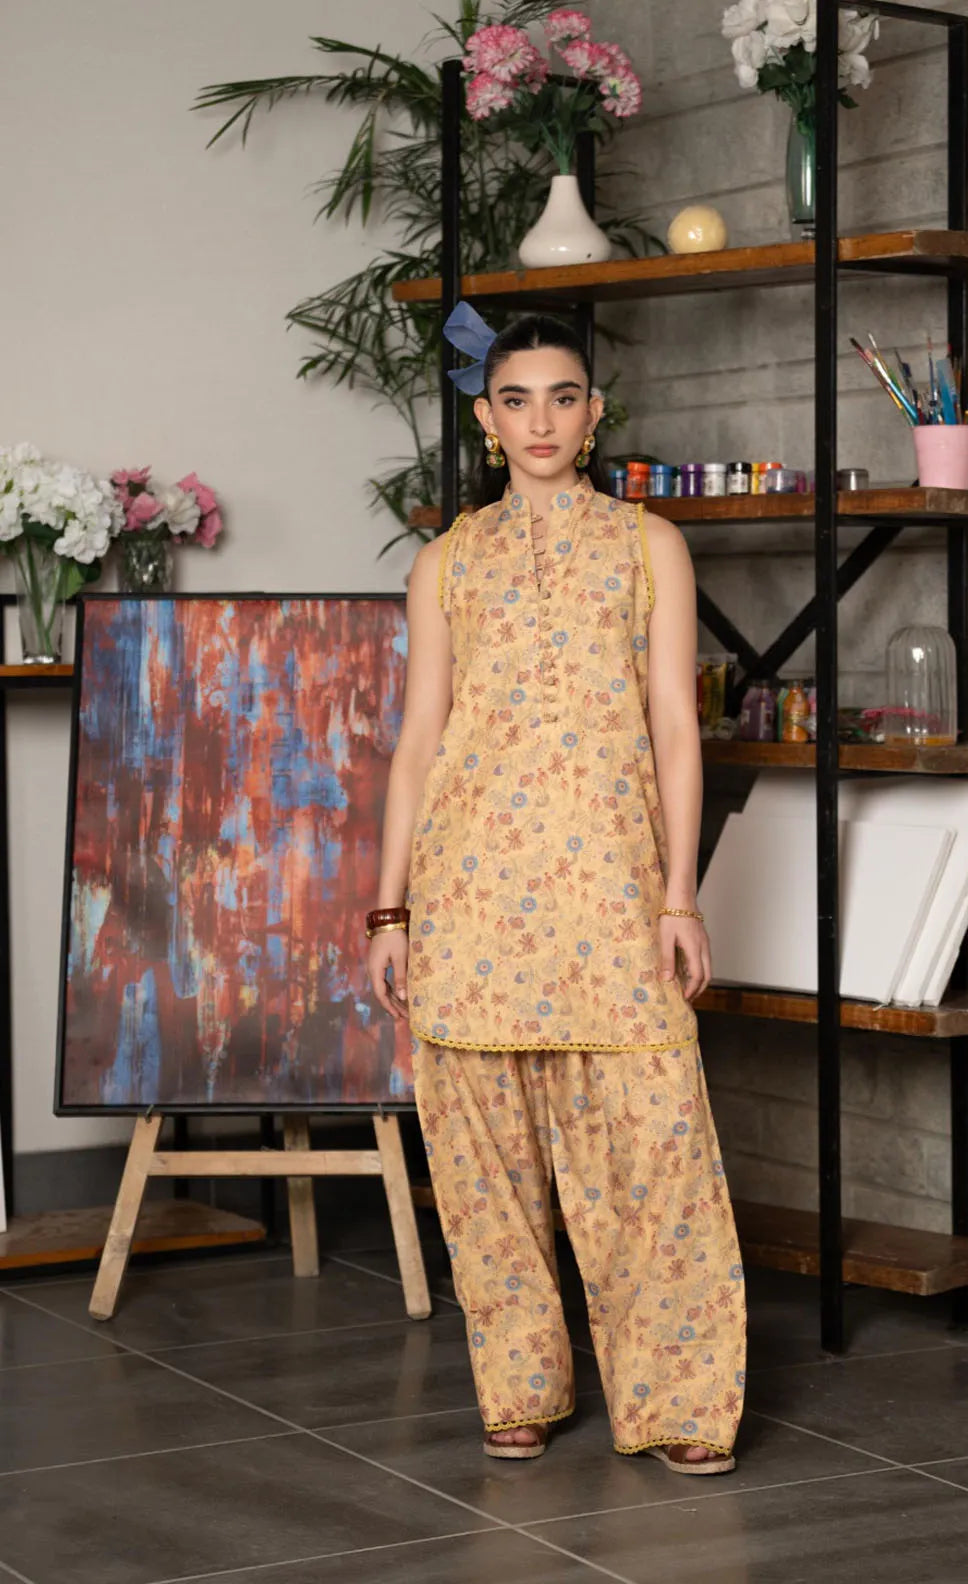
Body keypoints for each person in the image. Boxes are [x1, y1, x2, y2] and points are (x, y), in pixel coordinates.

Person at [367, 307, 746, 1474]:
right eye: (517, 400)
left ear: (594, 413)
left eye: (564, 396)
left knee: (656, 1147)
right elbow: (419, 742)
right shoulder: (446, 560)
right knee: (483, 1161)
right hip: (472, 892)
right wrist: (390, 908)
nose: (541, 420)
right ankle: (520, 1383)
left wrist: (679, 897)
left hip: (611, 892)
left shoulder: (647, 545)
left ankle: (678, 1399)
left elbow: (675, 729)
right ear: (487, 420)